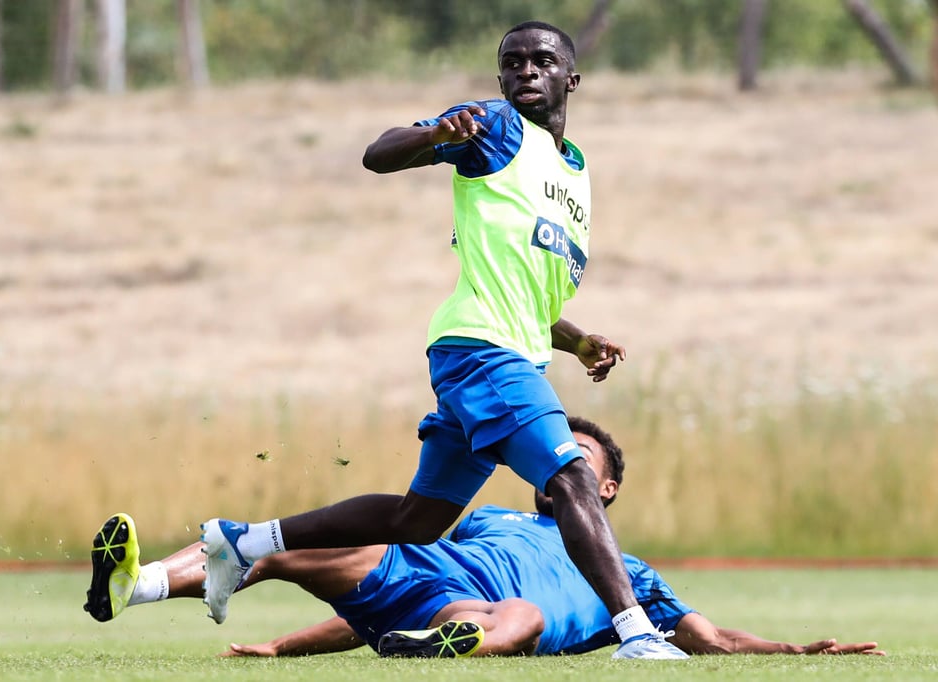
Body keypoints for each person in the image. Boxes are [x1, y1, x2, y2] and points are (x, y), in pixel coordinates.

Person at [194, 19, 684, 660]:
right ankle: (638, 633)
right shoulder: (493, 126)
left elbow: (525, 286)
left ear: (572, 76)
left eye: (541, 61)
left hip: (508, 350)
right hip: (482, 352)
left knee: (417, 521)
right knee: (571, 477)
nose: (526, 72)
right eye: (512, 63)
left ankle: (245, 542)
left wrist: (577, 340)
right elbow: (379, 153)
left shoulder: (575, 170)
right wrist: (434, 134)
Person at [83, 417, 885, 659]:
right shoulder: (490, 516)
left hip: (480, 609)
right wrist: (284, 650)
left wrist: (790, 655)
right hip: (410, 573)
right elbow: (375, 601)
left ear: (603, 486)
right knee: (281, 544)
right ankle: (141, 583)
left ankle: (439, 647)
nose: (550, 460)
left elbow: (703, 634)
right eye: (546, 451)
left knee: (521, 619)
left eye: (572, 456)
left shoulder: (627, 574)